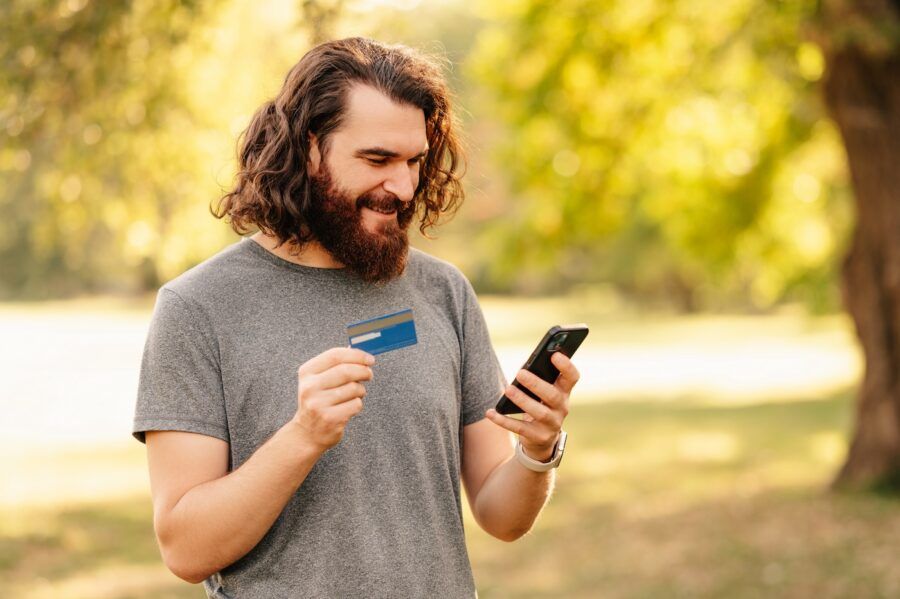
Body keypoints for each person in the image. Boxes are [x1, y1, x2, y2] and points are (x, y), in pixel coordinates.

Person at [133, 37, 580, 598]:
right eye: (377, 160)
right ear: (308, 149)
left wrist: (538, 452)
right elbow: (186, 548)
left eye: (414, 160)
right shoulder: (198, 309)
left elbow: (501, 516)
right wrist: (303, 437)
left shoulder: (444, 293)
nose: (403, 186)